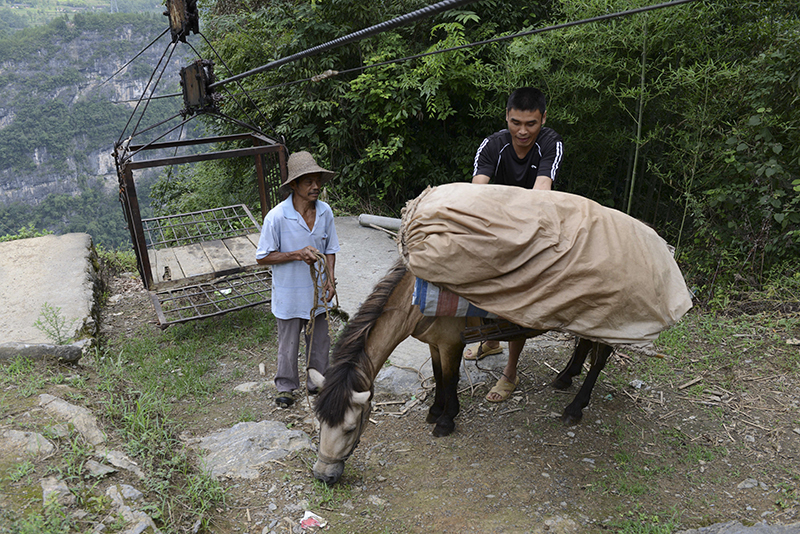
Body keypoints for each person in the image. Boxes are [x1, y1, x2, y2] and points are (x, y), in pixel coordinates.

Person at [464, 87, 564, 403]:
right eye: (516, 122)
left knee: (519, 298)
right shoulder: (493, 145)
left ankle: (510, 371)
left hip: (536, 225)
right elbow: (476, 192)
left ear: (543, 119)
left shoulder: (551, 143)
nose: (522, 131)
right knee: (476, 278)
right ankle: (490, 341)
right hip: (496, 226)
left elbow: (541, 192)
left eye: (531, 123)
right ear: (506, 116)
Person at [256, 151, 340, 408]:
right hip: (289, 293)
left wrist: (330, 281)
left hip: (317, 293)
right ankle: (286, 386)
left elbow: (330, 249)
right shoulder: (277, 217)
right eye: (308, 182)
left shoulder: (325, 212)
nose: (315, 187)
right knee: (288, 344)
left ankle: (317, 382)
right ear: (294, 185)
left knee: (320, 341)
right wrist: (296, 254)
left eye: (317, 181)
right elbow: (262, 257)